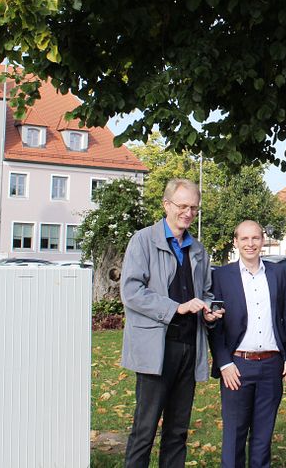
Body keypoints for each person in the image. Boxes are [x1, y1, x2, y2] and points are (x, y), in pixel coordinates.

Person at [120, 178, 223, 468]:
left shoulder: (199, 250)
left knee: (177, 431)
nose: (188, 213)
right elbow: (131, 292)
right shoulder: (143, 240)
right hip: (156, 348)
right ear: (166, 205)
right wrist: (176, 308)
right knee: (144, 430)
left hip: (189, 348)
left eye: (194, 208)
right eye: (182, 206)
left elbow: (205, 293)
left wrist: (208, 311)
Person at [210, 220, 286, 468]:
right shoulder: (222, 276)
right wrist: (224, 363)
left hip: (272, 365)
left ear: (262, 241)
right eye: (244, 239)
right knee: (234, 435)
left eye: (255, 238)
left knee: (263, 436)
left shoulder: (278, 273)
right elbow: (215, 325)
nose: (250, 244)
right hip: (237, 366)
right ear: (236, 242)